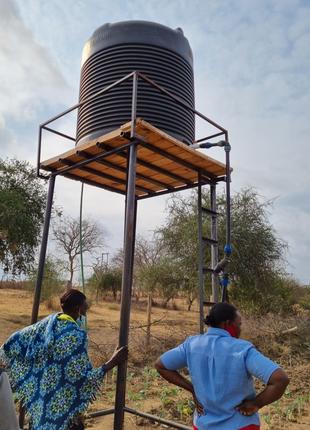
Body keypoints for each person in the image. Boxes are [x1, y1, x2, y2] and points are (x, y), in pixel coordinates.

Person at [0, 289, 128, 430]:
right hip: (64, 416)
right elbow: (83, 380)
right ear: (78, 309)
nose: (86, 311)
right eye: (85, 307)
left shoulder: (45, 325)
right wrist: (112, 362)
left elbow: (11, 344)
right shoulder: (77, 336)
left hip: (40, 408)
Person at [155, 302, 289, 430]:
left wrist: (192, 389)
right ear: (227, 324)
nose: (240, 329)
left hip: (202, 424)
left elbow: (161, 365)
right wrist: (256, 403)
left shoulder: (191, 344)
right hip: (240, 425)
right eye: (239, 324)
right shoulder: (242, 349)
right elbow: (280, 379)